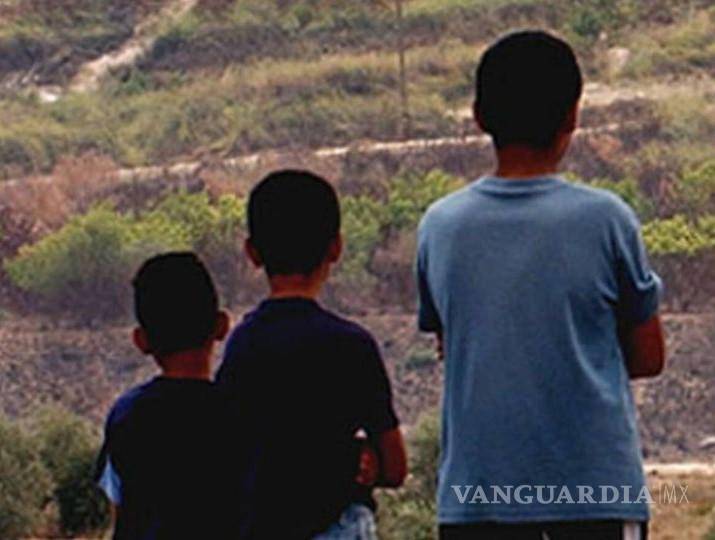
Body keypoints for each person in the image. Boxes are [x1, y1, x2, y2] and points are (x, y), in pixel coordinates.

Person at [416, 31, 665, 540]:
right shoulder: (607, 219)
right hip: (595, 496)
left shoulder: (440, 227)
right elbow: (648, 356)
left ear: (479, 116)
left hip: (478, 500)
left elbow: (452, 344)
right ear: (573, 115)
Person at [217, 170, 407, 540]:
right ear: (336, 247)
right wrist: (364, 457)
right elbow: (396, 468)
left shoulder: (243, 344)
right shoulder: (353, 345)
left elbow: (231, 452)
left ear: (252, 253)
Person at [96, 252, 237, 540]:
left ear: (141, 341)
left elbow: (120, 513)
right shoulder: (241, 413)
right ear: (222, 326)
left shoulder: (127, 414)